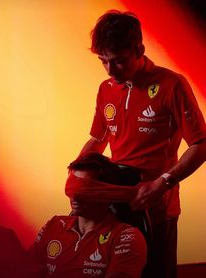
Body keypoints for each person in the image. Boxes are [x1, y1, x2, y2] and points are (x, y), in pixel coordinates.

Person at [78, 10, 206, 278]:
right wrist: (77, 178)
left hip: (157, 210)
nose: (111, 71)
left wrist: (162, 184)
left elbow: (201, 144)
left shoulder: (172, 85)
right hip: (113, 206)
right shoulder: (106, 89)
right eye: (103, 61)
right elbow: (98, 139)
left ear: (139, 49)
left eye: (119, 61)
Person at [29, 152, 147, 278]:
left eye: (84, 189)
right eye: (72, 188)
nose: (74, 197)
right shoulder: (54, 225)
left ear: (108, 193)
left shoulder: (126, 237)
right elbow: (25, 268)